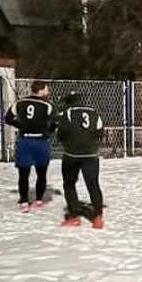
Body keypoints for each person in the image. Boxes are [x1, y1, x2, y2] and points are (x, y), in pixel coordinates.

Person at [55, 92, 105, 228]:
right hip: (91, 155)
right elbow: (100, 131)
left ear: (68, 102)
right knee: (93, 184)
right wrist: (89, 140)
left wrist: (70, 141)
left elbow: (60, 135)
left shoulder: (66, 114)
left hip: (72, 155)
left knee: (69, 184)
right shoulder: (93, 112)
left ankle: (74, 215)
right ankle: (98, 217)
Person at [5, 80, 55, 212]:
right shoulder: (47, 105)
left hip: (24, 141)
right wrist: (48, 131)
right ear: (41, 90)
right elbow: (55, 122)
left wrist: (21, 126)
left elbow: (8, 118)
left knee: (23, 174)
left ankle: (23, 202)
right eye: (46, 89)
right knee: (41, 173)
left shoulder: (19, 103)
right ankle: (39, 200)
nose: (48, 91)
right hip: (40, 142)